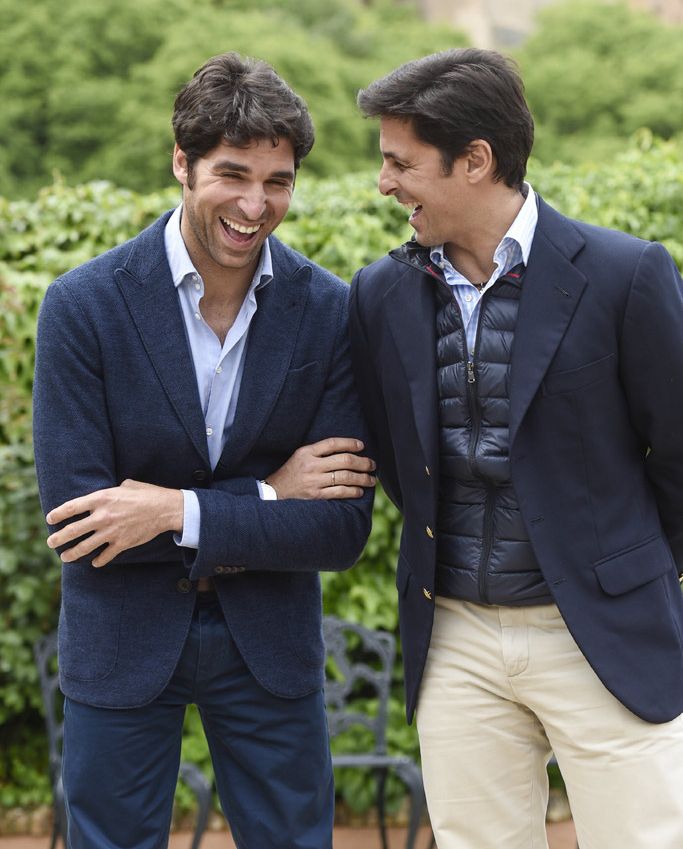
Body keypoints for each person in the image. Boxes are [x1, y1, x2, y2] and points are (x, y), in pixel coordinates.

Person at [33, 52, 375, 849]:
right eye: (233, 174)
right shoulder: (82, 307)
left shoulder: (328, 311)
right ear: (180, 163)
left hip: (271, 647)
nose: (256, 205)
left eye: (278, 180)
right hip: (121, 641)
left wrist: (164, 510)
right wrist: (267, 497)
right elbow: (83, 525)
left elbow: (337, 530)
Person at [348, 48, 683, 849]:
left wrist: (624, 568)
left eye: (401, 162)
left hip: (600, 628)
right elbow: (400, 463)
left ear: (475, 161)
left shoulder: (625, 274)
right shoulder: (379, 294)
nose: (383, 182)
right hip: (452, 634)